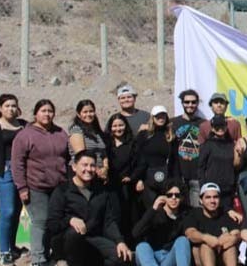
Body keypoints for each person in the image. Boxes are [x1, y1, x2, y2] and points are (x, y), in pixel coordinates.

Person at [46, 151, 133, 266]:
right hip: (67, 242)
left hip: (92, 240)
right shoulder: (62, 191)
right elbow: (52, 224)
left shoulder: (101, 191)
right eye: (84, 165)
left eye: (92, 165)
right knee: (74, 232)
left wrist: (120, 241)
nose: (89, 169)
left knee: (121, 259)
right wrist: (70, 220)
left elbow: (108, 221)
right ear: (74, 167)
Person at [11, 99, 70, 266]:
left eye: (50, 111)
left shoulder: (60, 133)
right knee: (40, 221)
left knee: (54, 221)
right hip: (35, 186)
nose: (47, 114)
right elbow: (17, 163)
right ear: (36, 113)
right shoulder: (25, 135)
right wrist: (22, 187)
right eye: (43, 111)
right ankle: (37, 259)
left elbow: (67, 158)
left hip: (58, 186)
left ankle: (50, 253)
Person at [0, 93, 27, 266]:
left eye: (13, 105)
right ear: (0, 108)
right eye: (7, 106)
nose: (11, 109)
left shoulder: (24, 126)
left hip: (22, 172)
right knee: (7, 211)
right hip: (4, 173)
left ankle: (12, 247)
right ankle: (4, 252)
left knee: (16, 211)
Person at [132, 179, 193, 266]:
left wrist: (229, 211)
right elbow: (135, 233)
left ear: (182, 197)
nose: (173, 198)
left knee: (182, 240)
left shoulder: (186, 214)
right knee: (141, 246)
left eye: (177, 195)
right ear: (164, 197)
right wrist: (153, 208)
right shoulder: (155, 212)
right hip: (150, 260)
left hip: (168, 261)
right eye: (169, 195)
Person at [183, 182, 243, 266]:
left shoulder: (225, 215)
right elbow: (190, 233)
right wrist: (206, 237)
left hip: (222, 260)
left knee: (231, 244)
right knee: (205, 244)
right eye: (208, 197)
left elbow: (237, 233)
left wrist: (228, 239)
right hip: (201, 263)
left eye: (215, 197)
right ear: (201, 200)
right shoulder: (194, 214)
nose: (212, 201)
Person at [132, 106, 179, 209]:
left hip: (167, 179)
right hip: (148, 180)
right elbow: (138, 158)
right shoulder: (144, 135)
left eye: (163, 115)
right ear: (152, 118)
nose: (161, 118)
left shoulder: (171, 135)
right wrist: (138, 179)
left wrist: (176, 182)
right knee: (151, 210)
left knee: (167, 210)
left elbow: (175, 161)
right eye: (157, 116)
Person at [105, 114, 137, 243]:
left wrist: (132, 177)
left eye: (121, 125)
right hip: (110, 186)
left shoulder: (132, 143)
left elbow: (139, 163)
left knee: (129, 216)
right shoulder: (107, 144)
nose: (118, 128)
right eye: (115, 126)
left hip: (127, 185)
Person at [198, 115, 240, 209]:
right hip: (212, 189)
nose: (220, 129)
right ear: (212, 128)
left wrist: (234, 185)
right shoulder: (207, 145)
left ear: (226, 127)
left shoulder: (232, 145)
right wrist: (203, 187)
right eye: (217, 126)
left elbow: (235, 167)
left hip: (228, 189)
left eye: (222, 126)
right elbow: (201, 167)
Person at [172, 89, 206, 198]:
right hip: (179, 175)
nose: (190, 105)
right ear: (182, 103)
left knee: (196, 211)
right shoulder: (172, 123)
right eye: (187, 102)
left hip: (197, 177)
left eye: (193, 102)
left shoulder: (204, 124)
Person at [68, 99, 108, 182]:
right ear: (79, 114)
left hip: (98, 173)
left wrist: (105, 168)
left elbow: (103, 153)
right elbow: (81, 153)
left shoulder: (97, 131)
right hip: (84, 172)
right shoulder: (76, 130)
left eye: (91, 111)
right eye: (85, 112)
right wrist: (96, 170)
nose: (88, 114)